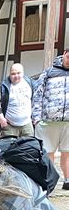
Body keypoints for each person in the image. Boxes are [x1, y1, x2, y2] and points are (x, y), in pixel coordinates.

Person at [32, 49, 69, 190]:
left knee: (67, 152)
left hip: (68, 122)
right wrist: (36, 118)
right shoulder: (49, 72)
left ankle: (67, 181)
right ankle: (50, 181)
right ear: (65, 54)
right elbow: (38, 94)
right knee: (48, 153)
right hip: (49, 121)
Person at [0, 63, 35, 137]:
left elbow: (36, 99)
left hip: (27, 124)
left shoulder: (29, 83)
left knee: (29, 147)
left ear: (23, 73)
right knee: (9, 148)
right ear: (9, 74)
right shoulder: (4, 86)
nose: (16, 76)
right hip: (10, 126)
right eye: (13, 74)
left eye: (18, 73)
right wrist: (1, 118)